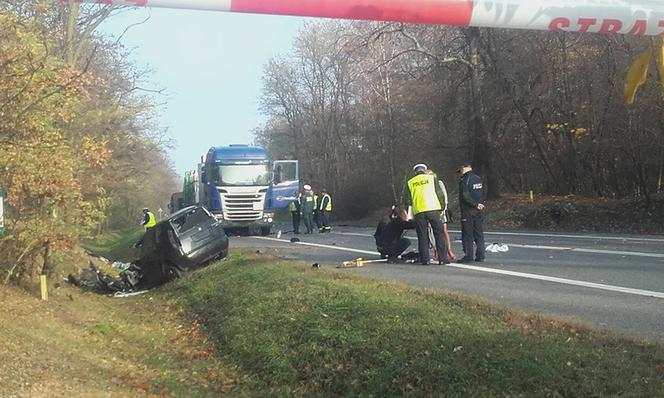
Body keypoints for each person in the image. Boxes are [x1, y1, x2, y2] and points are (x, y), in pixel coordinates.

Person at [404, 163, 450, 265]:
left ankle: (425, 259)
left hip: (419, 211)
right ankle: (443, 258)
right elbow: (440, 194)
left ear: (415, 171)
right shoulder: (431, 178)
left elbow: (407, 200)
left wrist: (410, 212)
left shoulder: (410, 182)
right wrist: (441, 207)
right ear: (424, 170)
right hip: (433, 209)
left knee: (422, 235)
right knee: (439, 233)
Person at [457, 164, 486, 263]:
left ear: (463, 169)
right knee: (479, 233)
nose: (460, 174)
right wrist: (481, 204)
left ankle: (468, 256)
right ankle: (481, 255)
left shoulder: (465, 180)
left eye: (460, 171)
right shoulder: (478, 178)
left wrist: (475, 204)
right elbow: (482, 192)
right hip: (478, 210)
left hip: (468, 210)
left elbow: (465, 196)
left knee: (467, 234)